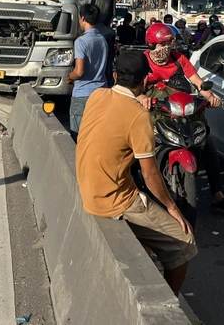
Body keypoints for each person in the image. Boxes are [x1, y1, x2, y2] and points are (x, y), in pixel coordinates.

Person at [75, 50, 197, 295]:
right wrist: (173, 209)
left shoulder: (97, 95)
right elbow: (151, 175)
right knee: (185, 243)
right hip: (114, 201)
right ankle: (170, 305)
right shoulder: (139, 115)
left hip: (88, 189)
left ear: (115, 75)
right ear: (145, 80)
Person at [141, 22, 224, 212]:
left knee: (207, 143)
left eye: (169, 44)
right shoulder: (143, 61)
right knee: (137, 145)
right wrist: (142, 97)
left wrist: (210, 97)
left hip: (181, 112)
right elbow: (135, 87)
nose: (166, 49)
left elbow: (198, 83)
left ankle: (217, 194)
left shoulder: (179, 59)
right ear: (152, 45)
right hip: (154, 114)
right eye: (162, 45)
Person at [66, 4, 110, 135]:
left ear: (83, 18)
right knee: (96, 134)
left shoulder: (81, 41)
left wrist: (69, 76)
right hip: (101, 92)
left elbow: (79, 72)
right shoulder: (102, 39)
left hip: (82, 95)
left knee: (78, 135)